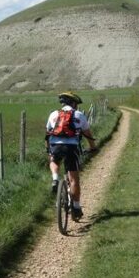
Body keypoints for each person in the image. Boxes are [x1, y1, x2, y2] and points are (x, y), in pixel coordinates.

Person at [46, 91, 97, 220]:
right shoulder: (79, 115)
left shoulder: (53, 114)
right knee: (74, 179)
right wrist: (92, 147)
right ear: (73, 103)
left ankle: (55, 178)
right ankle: (76, 207)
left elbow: (48, 133)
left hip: (55, 145)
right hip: (71, 148)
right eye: (76, 104)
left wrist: (49, 149)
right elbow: (88, 135)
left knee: (53, 161)